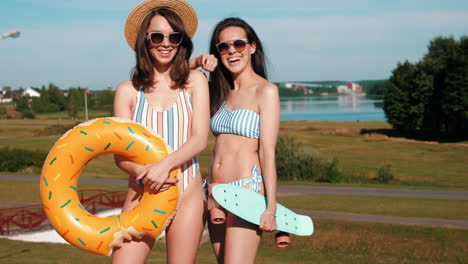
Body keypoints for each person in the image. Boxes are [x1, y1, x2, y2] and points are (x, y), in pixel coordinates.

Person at [112, 0, 210, 263]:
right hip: (141, 193)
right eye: (157, 36)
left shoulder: (195, 82)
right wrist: (143, 174)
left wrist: (163, 165)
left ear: (181, 42)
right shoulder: (127, 91)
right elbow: (120, 156)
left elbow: (200, 138)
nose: (165, 43)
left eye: (173, 37)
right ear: (145, 40)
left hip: (187, 192)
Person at [205, 17, 281, 263]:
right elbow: (177, 78)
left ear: (252, 47)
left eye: (238, 44)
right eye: (223, 47)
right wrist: (198, 63)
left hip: (246, 191)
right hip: (214, 193)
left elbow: (267, 152)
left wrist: (271, 208)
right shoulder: (219, 91)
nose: (231, 51)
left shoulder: (265, 91)